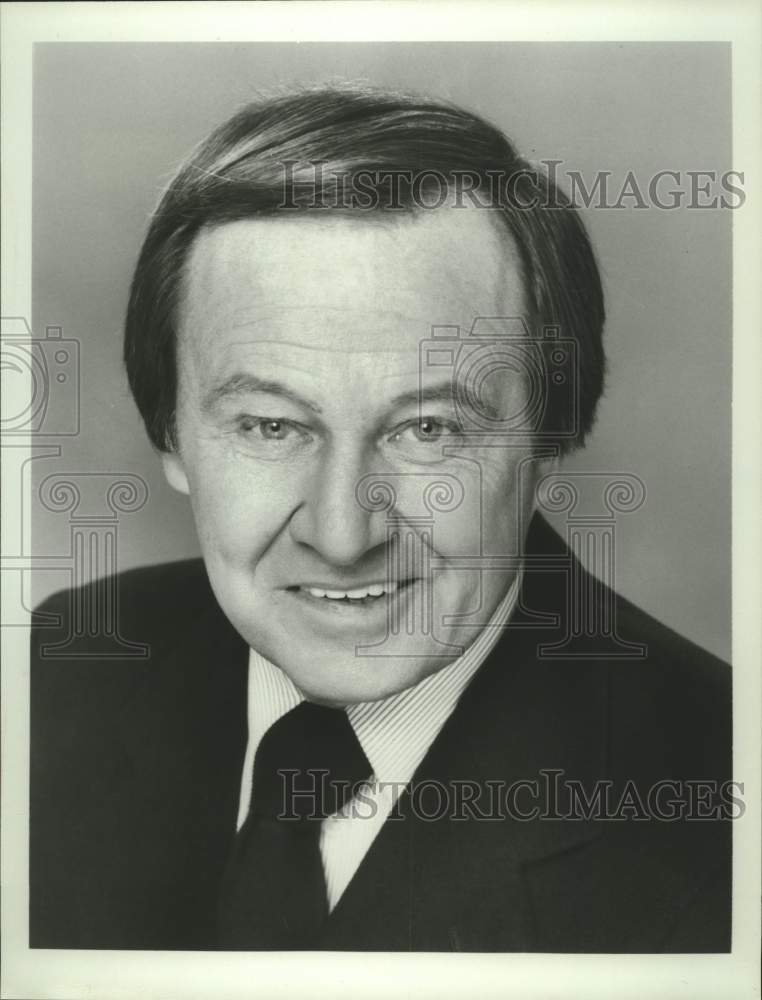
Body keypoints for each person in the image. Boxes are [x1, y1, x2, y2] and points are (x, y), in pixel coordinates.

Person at [30, 86, 732, 952]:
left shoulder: (722, 818)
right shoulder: (49, 678)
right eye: (270, 426)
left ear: (549, 443)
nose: (342, 535)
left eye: (428, 429)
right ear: (172, 436)